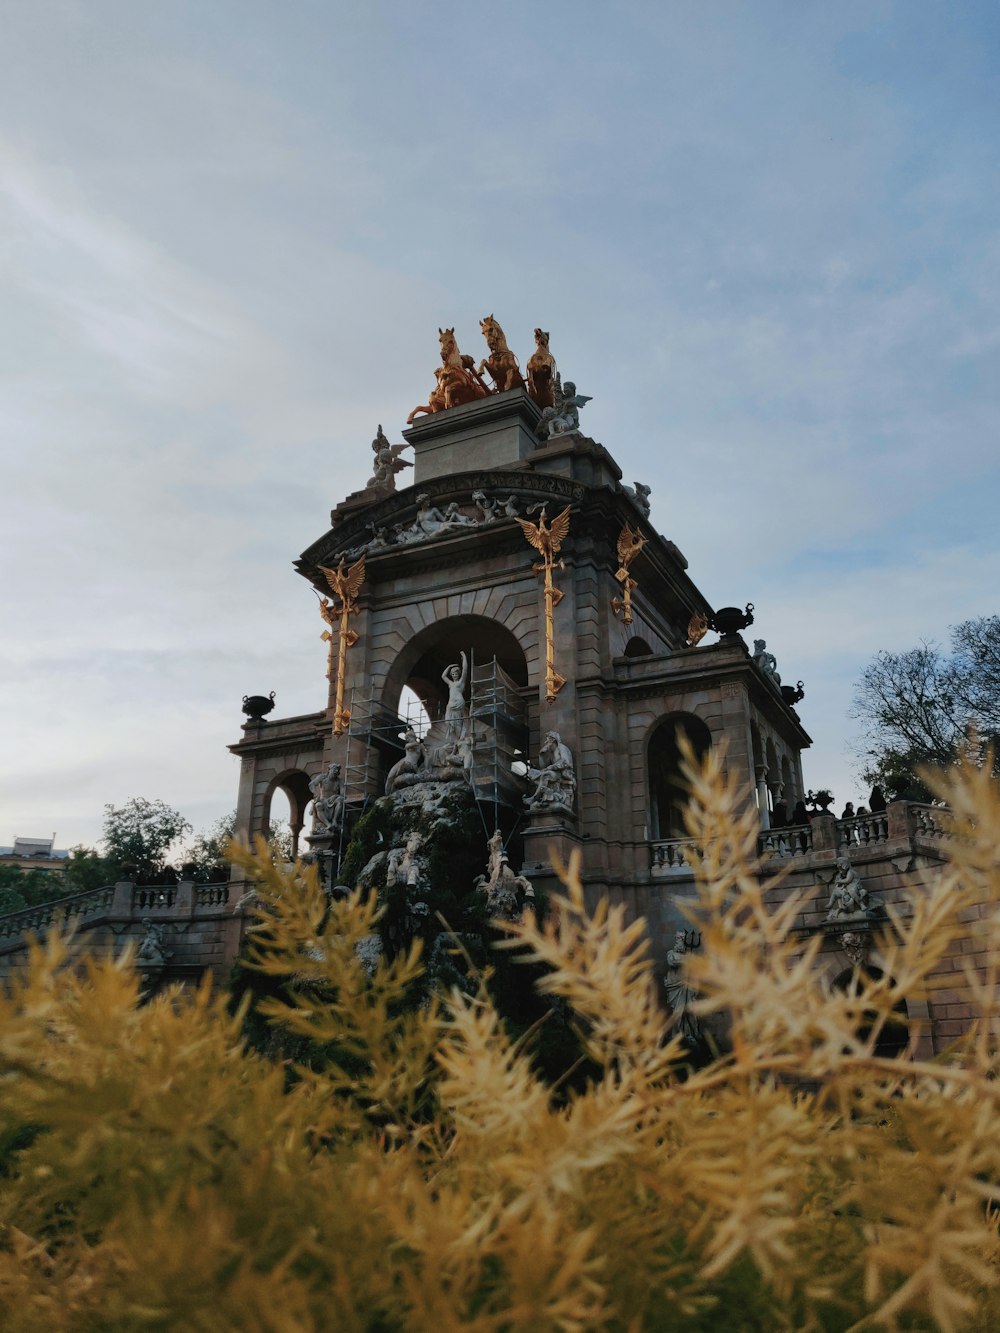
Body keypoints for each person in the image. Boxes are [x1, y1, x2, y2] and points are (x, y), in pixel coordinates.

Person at [441, 652, 469, 742]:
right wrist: (450, 666)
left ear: (458, 674)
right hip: (450, 704)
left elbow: (465, 669)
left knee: (457, 723)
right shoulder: (450, 683)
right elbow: (443, 676)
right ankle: (455, 740)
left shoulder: (461, 682)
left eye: (455, 673)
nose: (454, 675)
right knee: (448, 722)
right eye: (452, 674)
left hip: (458, 703)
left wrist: (464, 657)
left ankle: (459, 739)